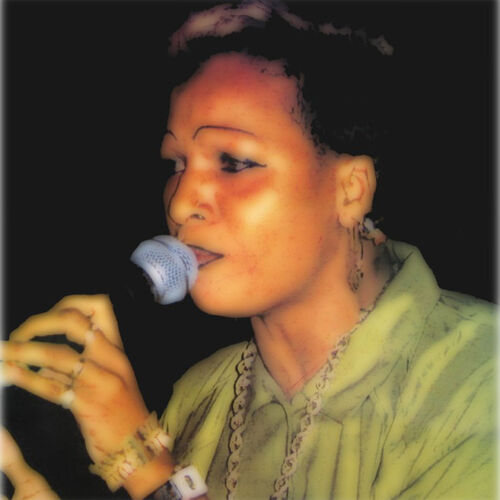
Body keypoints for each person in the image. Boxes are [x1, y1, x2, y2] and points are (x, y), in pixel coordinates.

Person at [2, 1, 496, 499]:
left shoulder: (480, 372)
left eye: (234, 162)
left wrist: (147, 470)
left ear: (350, 189)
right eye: (177, 164)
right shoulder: (200, 397)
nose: (182, 203)